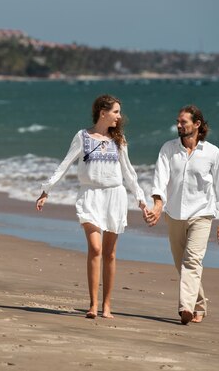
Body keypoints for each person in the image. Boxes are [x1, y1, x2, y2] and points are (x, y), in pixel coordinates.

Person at [36, 94, 147, 319]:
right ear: (102, 112)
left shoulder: (119, 140)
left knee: (110, 253)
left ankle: (107, 305)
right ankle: (93, 304)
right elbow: (65, 163)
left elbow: (129, 173)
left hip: (115, 197)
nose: (119, 116)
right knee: (95, 249)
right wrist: (47, 189)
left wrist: (141, 200)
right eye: (115, 111)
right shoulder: (82, 136)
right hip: (90, 196)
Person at [144, 104, 219, 325]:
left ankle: (185, 308)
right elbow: (159, 179)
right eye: (178, 121)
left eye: (183, 122)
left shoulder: (213, 153)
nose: (179, 125)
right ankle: (199, 305)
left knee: (192, 261)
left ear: (197, 124)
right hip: (174, 214)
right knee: (181, 263)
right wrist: (157, 204)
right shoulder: (168, 149)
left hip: (202, 215)